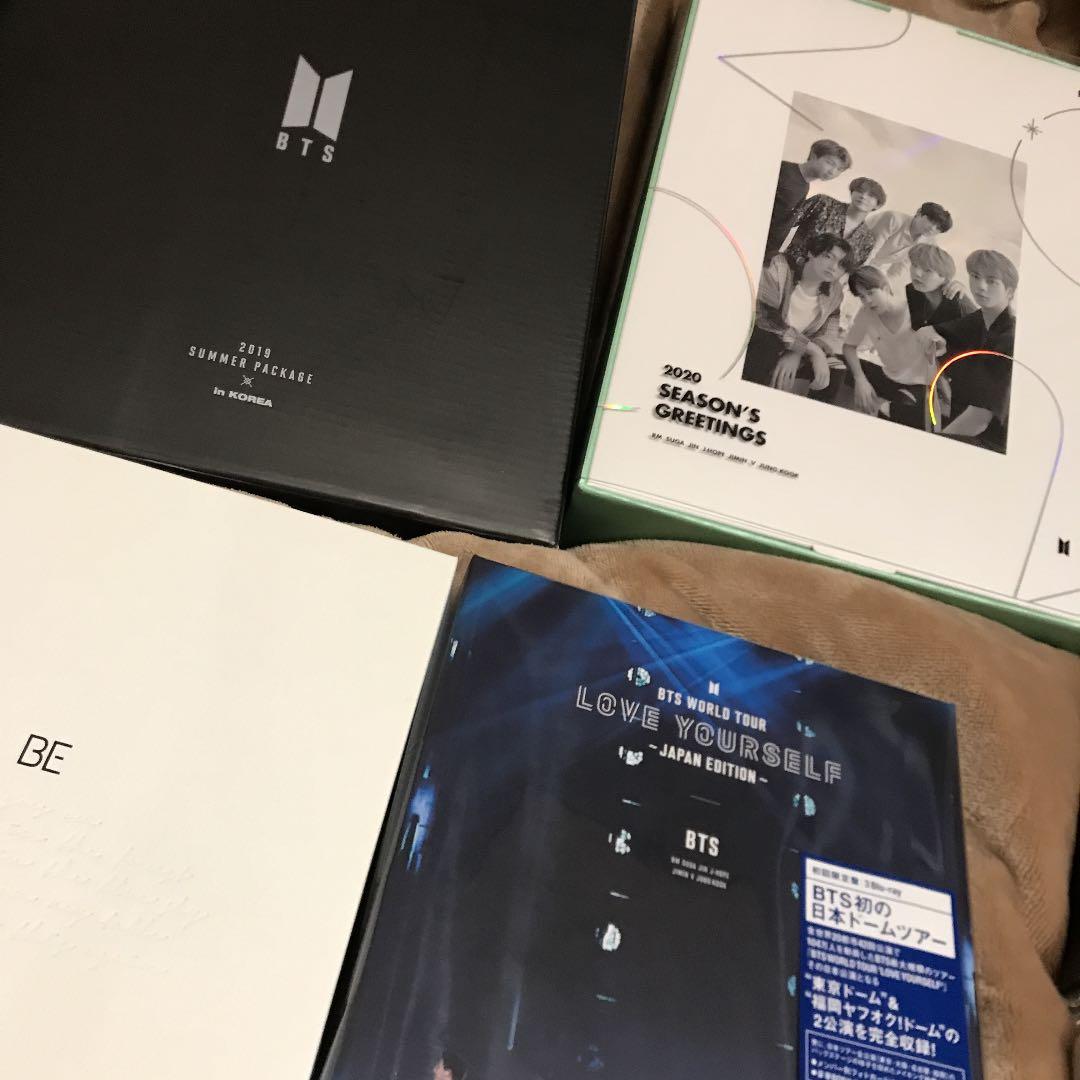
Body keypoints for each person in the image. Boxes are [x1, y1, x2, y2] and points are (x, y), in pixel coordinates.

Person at [928, 250, 1018, 453]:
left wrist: (935, 446)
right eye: (975, 276)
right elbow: (932, 334)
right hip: (959, 419)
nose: (980, 286)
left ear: (1010, 291)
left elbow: (979, 419)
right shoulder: (977, 320)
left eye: (992, 281)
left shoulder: (1010, 340)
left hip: (991, 443)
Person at [744, 233, 852, 398]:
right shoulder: (779, 265)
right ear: (811, 252)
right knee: (769, 344)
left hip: (794, 347)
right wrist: (812, 350)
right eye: (828, 257)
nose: (834, 267)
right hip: (759, 338)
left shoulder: (835, 293)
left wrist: (797, 352)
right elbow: (764, 316)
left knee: (837, 368)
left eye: (842, 265)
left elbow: (828, 334)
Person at [842, 265, 941, 428]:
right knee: (837, 363)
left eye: (871, 293)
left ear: (886, 288)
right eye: (862, 297)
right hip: (888, 377)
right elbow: (849, 347)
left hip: (919, 385)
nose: (867, 301)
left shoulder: (914, 309)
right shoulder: (866, 313)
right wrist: (860, 379)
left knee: (902, 409)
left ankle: (884, 408)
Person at [765, 138, 852, 257]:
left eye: (839, 170)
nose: (833, 172)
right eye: (830, 163)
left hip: (767, 251)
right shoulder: (782, 170)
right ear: (813, 156)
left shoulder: (804, 186)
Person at [784, 176, 886, 269]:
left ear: (878, 205)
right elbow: (784, 221)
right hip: (788, 266)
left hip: (818, 282)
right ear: (852, 192)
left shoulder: (867, 240)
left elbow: (851, 270)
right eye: (860, 191)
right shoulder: (823, 203)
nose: (863, 196)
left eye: (871, 195)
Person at [865, 201, 954, 287]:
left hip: (876, 267)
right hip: (859, 255)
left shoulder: (927, 242)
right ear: (919, 213)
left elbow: (901, 267)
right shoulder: (893, 219)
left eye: (938, 228)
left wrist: (887, 284)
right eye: (931, 220)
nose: (932, 228)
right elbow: (870, 250)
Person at [906, 243, 976, 330]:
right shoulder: (913, 291)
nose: (916, 273)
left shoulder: (959, 304)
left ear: (945, 278)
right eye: (914, 265)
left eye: (928, 270)